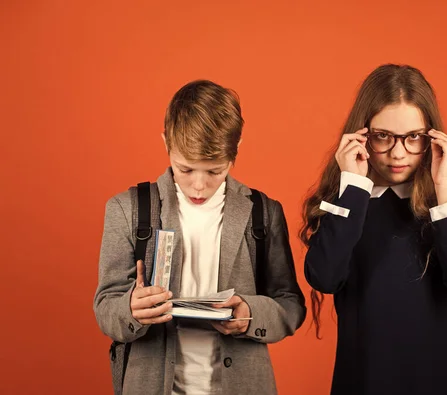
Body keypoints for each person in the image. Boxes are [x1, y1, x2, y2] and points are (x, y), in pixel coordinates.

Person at [94, 79, 306, 395]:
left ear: (237, 150)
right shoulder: (127, 209)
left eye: (214, 171)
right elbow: (106, 307)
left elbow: (290, 305)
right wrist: (131, 309)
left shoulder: (263, 213)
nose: (198, 186)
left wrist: (250, 313)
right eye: (185, 169)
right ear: (166, 143)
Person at [300, 64, 447, 395]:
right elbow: (324, 278)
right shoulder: (347, 203)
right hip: (363, 382)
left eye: (413, 137)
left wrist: (444, 185)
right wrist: (354, 186)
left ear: (432, 137)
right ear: (362, 135)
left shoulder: (445, 206)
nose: (398, 153)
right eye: (383, 137)